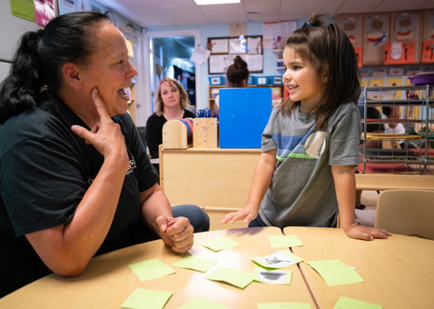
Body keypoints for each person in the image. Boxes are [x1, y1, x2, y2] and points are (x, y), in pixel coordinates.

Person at [0, 12, 209, 298]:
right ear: (74, 74)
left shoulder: (118, 117)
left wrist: (165, 224)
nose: (132, 72)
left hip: (110, 242)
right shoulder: (32, 136)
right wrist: (114, 161)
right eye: (119, 63)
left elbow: (149, 192)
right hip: (50, 276)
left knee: (193, 217)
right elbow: (67, 260)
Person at [222, 13, 391, 241]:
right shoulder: (280, 112)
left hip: (315, 225)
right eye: (285, 67)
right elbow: (266, 161)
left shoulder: (342, 114)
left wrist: (349, 223)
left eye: (296, 67)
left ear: (327, 73)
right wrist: (251, 205)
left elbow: (343, 170)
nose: (286, 76)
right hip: (268, 217)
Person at [145, 77, 195, 159]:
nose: (170, 95)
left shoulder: (191, 117)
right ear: (161, 97)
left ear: (181, 93)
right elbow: (154, 152)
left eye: (174, 90)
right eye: (165, 93)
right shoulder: (152, 121)